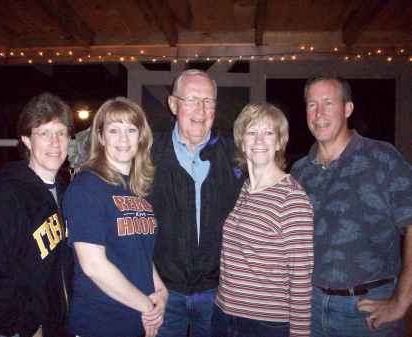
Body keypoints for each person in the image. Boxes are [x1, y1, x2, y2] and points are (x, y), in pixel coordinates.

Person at [291, 76, 412, 337]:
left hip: (367, 310)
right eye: (312, 104)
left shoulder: (382, 158)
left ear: (347, 109)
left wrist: (402, 300)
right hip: (309, 308)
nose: (319, 113)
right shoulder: (300, 171)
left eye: (328, 103)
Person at [0, 92, 74, 337]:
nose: (55, 143)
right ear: (26, 140)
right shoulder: (7, 198)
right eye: (44, 133)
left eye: (61, 133)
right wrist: (26, 326)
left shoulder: (67, 193)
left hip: (60, 325)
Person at [62, 97, 167, 337]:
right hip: (100, 323)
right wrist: (147, 306)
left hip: (137, 321)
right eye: (114, 130)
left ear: (141, 137)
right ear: (101, 137)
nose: (123, 139)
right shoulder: (87, 187)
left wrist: (161, 291)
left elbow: (138, 250)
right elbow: (93, 266)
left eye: (131, 130)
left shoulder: (137, 189)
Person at [151, 69, 245, 337]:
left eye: (208, 101)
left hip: (219, 292)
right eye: (191, 99)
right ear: (173, 104)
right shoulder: (148, 154)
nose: (201, 110)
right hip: (162, 291)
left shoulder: (236, 155)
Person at [211, 103, 314, 337]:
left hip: (265, 324)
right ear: (241, 142)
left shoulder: (292, 197)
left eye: (268, 133)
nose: (259, 140)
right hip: (223, 313)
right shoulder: (243, 189)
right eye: (251, 132)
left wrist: (299, 334)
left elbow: (301, 277)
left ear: (279, 142)